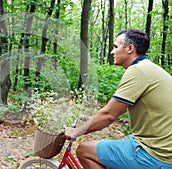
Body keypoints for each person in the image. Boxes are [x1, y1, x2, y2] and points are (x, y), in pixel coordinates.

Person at [64, 28, 172, 169]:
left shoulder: (138, 70)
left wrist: (76, 131)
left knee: (84, 150)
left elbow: (109, 114)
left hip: (155, 154)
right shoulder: (151, 69)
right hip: (163, 148)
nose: (112, 52)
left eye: (116, 46)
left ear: (130, 48)